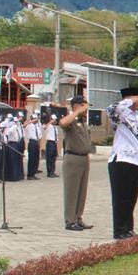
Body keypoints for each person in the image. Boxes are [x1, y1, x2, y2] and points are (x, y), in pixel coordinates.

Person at [107, 86, 138, 239]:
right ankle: (119, 230)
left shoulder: (136, 116)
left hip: (136, 161)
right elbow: (110, 109)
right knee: (120, 198)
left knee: (131, 198)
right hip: (122, 160)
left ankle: (128, 228)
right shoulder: (119, 114)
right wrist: (128, 101)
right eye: (137, 99)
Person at [59, 95, 94, 231]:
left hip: (84, 159)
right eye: (84, 106)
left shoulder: (83, 121)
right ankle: (70, 220)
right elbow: (62, 123)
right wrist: (76, 112)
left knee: (81, 191)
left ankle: (78, 218)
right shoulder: (71, 120)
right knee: (71, 191)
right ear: (76, 106)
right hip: (72, 159)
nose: (86, 110)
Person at [23, 112, 42, 180]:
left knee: (36, 159)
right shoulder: (29, 125)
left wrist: (39, 144)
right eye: (34, 119)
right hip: (32, 142)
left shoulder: (37, 126)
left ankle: (33, 173)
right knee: (32, 159)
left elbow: (39, 136)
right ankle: (30, 175)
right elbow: (24, 125)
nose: (36, 120)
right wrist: (31, 121)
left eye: (36, 119)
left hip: (36, 142)